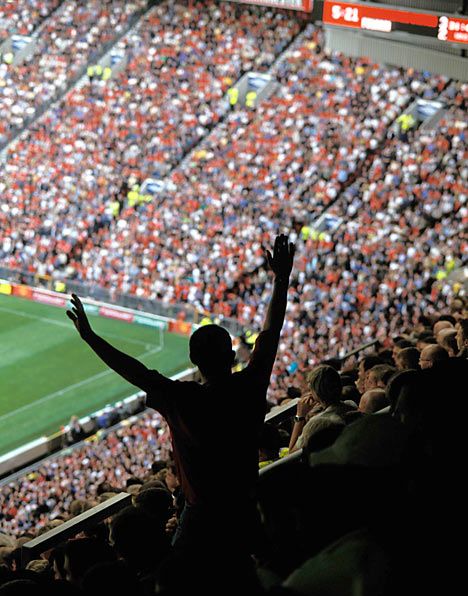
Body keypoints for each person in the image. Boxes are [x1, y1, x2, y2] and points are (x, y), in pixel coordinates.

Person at [66, 235, 294, 560]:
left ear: (193, 360)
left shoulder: (181, 398)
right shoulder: (251, 383)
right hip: (247, 503)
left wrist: (89, 336)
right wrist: (281, 280)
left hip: (203, 517)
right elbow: (271, 333)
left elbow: (135, 371)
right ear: (231, 356)